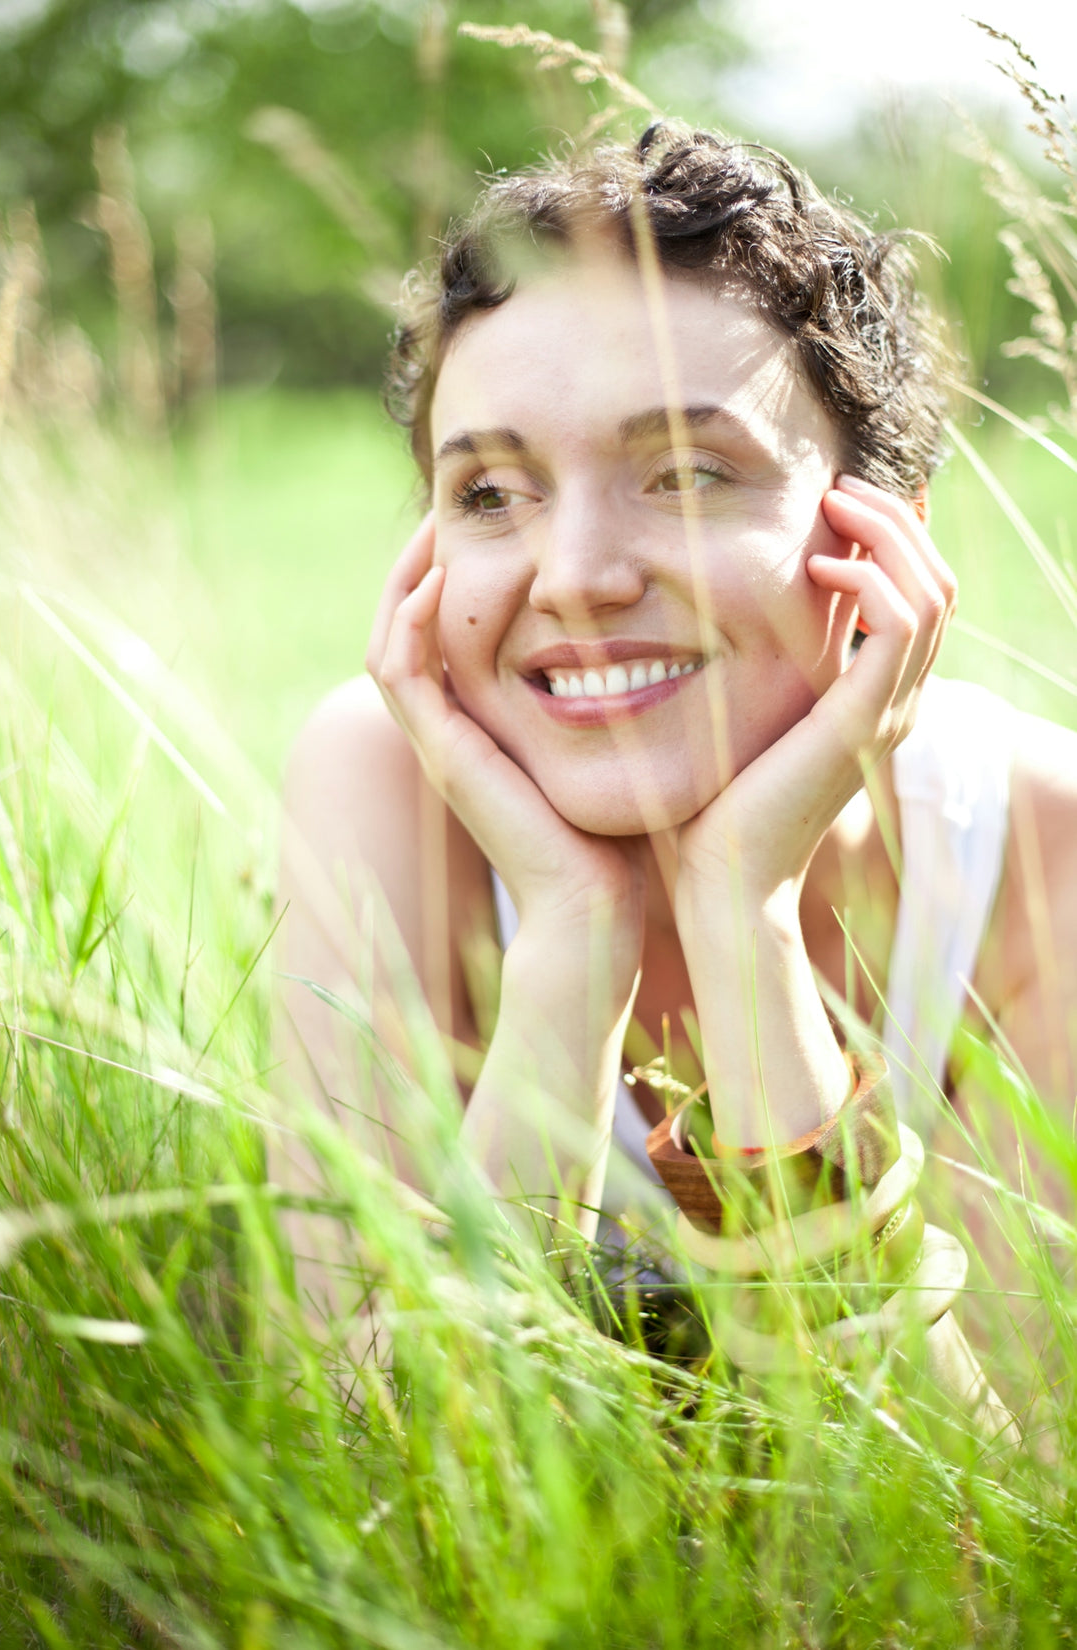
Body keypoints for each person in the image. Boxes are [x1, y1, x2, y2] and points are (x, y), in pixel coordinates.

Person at [273, 125, 1077, 1400]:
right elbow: (363, 1466)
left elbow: (974, 1539)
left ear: (884, 539)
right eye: (488, 494)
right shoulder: (385, 784)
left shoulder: (1042, 861)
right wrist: (568, 945)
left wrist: (740, 919)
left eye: (688, 474)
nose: (577, 576)